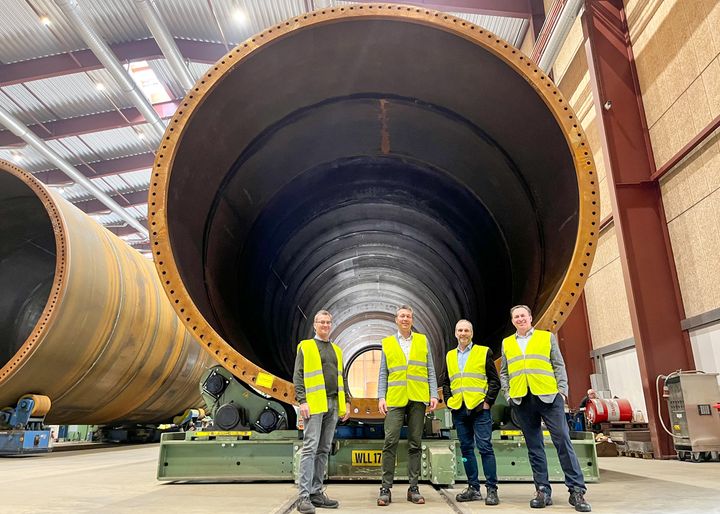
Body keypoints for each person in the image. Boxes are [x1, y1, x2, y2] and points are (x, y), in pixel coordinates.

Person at [500, 305, 592, 512]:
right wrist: (508, 394)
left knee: (562, 441)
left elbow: (558, 365)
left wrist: (561, 391)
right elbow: (504, 372)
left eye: (523, 315)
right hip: (522, 399)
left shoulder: (546, 337)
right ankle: (542, 490)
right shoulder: (507, 343)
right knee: (534, 447)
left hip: (549, 397)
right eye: (516, 317)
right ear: (512, 320)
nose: (520, 319)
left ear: (530, 318)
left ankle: (576, 490)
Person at [377, 305, 438, 506]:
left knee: (415, 443)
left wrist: (433, 393)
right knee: (390, 441)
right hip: (395, 398)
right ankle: (385, 488)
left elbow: (430, 368)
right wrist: (381, 397)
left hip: (418, 397)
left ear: (412, 320)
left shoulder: (422, 340)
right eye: (402, 316)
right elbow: (383, 372)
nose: (405, 319)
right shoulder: (387, 343)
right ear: (396, 319)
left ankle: (414, 487)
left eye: (408, 316)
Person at [293, 310, 351, 514]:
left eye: (328, 322)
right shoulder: (306, 346)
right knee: (310, 448)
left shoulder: (337, 350)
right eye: (321, 322)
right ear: (315, 325)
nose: (325, 325)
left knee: (324, 449)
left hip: (334, 404)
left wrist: (347, 403)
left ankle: (317, 492)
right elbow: (298, 375)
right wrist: (302, 400)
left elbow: (341, 378)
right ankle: (304, 496)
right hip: (315, 404)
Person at [442, 319, 500, 505]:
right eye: (460, 330)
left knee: (485, 448)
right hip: (459, 409)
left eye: (466, 330)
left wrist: (487, 402)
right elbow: (446, 382)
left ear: (472, 333)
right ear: (455, 333)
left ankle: (492, 489)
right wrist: (450, 401)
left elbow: (494, 380)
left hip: (479, 409)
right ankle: (473, 487)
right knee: (466, 449)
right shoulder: (450, 355)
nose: (463, 333)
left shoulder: (483, 352)